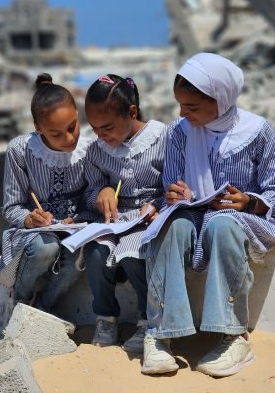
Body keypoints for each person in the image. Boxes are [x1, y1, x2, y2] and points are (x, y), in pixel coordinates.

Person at [141, 53, 275, 376]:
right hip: (193, 214)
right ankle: (159, 335)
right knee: (173, 226)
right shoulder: (179, 133)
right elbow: (171, 183)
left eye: (192, 107)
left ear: (221, 100)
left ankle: (234, 336)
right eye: (180, 105)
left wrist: (248, 201)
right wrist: (175, 194)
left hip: (239, 220)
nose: (183, 113)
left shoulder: (257, 131)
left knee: (222, 225)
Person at [0, 73, 96, 311]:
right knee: (45, 248)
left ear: (77, 115)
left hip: (75, 227)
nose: (69, 138)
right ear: (38, 129)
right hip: (34, 232)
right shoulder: (20, 150)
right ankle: (19, 301)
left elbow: (92, 195)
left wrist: (82, 215)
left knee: (78, 249)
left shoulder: (91, 149)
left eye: (72, 127)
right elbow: (11, 207)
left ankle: (44, 309)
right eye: (56, 134)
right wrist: (30, 218)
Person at [82, 74, 167, 354]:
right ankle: (105, 317)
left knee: (133, 255)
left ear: (132, 112)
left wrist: (157, 204)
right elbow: (90, 190)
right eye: (94, 128)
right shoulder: (97, 150)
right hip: (114, 219)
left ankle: (146, 318)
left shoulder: (162, 138)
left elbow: (174, 184)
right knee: (96, 253)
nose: (101, 135)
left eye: (107, 127)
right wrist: (102, 192)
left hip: (149, 217)